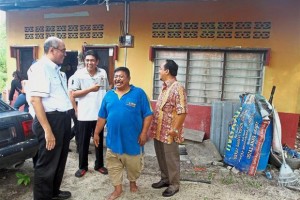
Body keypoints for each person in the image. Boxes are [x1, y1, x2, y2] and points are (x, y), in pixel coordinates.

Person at [93, 67, 153, 200]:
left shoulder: (138, 93)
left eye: (121, 76)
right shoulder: (109, 95)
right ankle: (117, 189)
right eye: (116, 77)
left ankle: (133, 183)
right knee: (113, 166)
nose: (117, 79)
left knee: (134, 167)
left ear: (128, 79)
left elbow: (148, 115)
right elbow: (102, 116)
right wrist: (96, 133)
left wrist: (144, 133)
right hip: (113, 141)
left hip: (133, 141)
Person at [27, 36, 72, 200]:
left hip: (62, 119)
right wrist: (48, 131)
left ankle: (53, 191)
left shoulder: (56, 70)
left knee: (59, 160)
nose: (65, 54)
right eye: (63, 50)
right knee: (46, 164)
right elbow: (35, 100)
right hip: (49, 121)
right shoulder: (40, 68)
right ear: (52, 50)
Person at [149, 59, 188, 197]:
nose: (158, 71)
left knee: (171, 159)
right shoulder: (165, 88)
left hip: (169, 132)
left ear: (167, 71)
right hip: (159, 130)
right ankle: (165, 179)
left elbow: (182, 111)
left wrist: (175, 130)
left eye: (160, 68)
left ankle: (174, 184)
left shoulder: (178, 87)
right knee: (161, 156)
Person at [71, 50, 109, 178]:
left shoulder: (102, 73)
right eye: (87, 60)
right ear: (84, 61)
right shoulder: (79, 74)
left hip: (99, 114)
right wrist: (90, 89)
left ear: (97, 61)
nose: (89, 63)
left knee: (98, 140)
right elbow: (73, 94)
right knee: (83, 141)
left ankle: (99, 165)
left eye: (92, 60)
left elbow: (106, 91)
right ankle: (83, 167)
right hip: (84, 114)